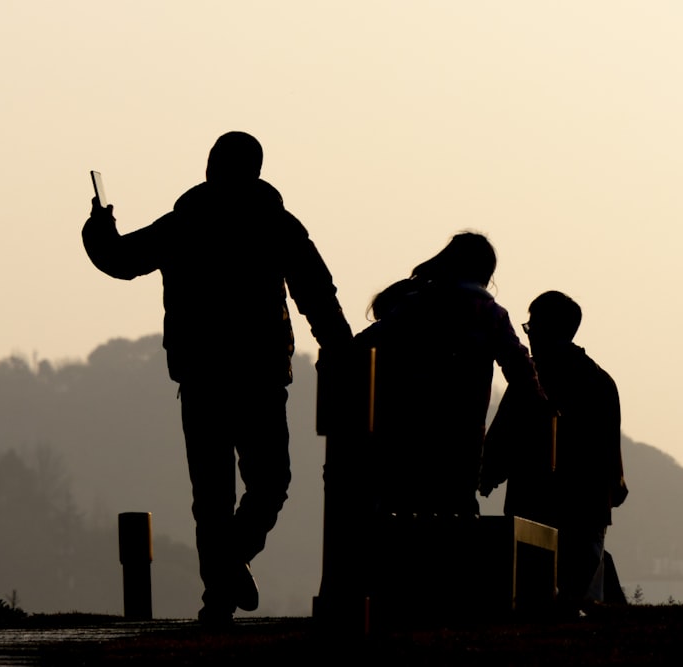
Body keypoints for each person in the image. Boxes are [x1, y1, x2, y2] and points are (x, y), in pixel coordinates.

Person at [82, 131, 353, 625]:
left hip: (204, 376)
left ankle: (221, 586)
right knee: (269, 484)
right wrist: (343, 348)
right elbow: (317, 292)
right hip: (260, 374)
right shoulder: (277, 224)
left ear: (211, 166)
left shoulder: (185, 225)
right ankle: (224, 584)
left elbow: (120, 260)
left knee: (213, 496)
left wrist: (99, 227)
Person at [356, 232, 543, 517]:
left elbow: (361, 346)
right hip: (462, 441)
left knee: (400, 516)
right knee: (455, 522)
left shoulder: (417, 304)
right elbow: (521, 372)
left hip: (405, 435)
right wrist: (544, 411)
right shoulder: (490, 314)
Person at [481, 290, 626, 616]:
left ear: (545, 328)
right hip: (588, 509)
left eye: (531, 327)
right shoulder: (601, 381)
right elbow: (611, 451)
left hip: (533, 506)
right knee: (578, 604)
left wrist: (485, 474)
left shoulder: (534, 378)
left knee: (532, 603)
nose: (529, 336)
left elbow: (503, 435)